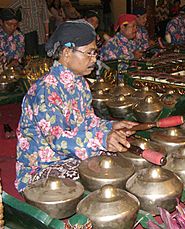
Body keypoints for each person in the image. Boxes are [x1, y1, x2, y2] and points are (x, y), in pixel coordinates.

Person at [15, 20, 137, 192]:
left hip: (71, 157)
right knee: (106, 178)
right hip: (43, 168)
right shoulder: (45, 91)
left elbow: (87, 121)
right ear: (66, 53)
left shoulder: (80, 83)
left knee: (121, 162)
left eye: (95, 53)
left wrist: (111, 126)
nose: (94, 59)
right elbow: (58, 140)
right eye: (89, 53)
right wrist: (102, 138)